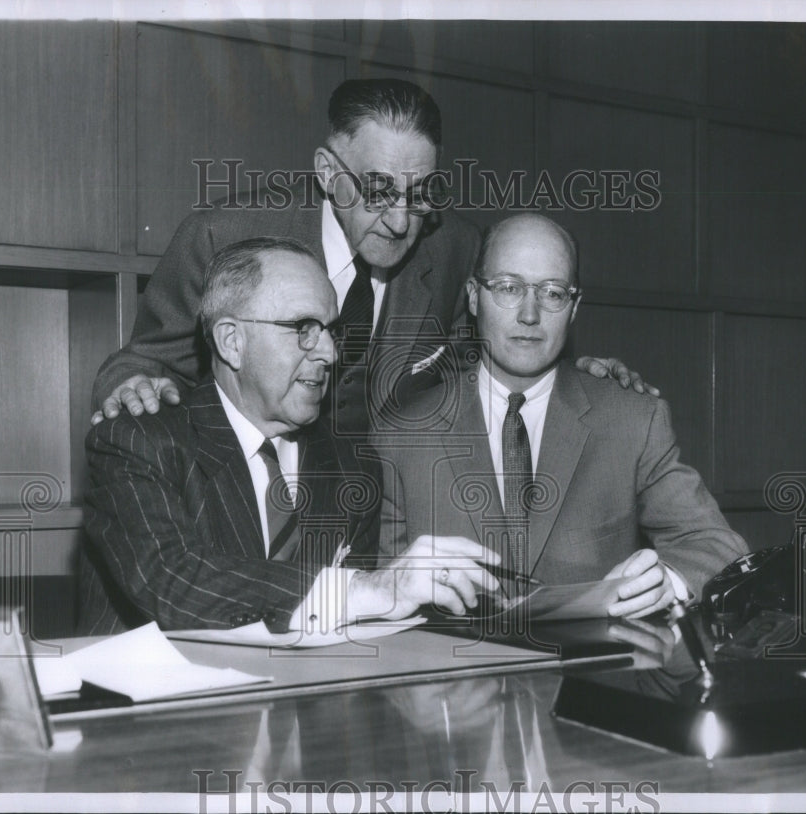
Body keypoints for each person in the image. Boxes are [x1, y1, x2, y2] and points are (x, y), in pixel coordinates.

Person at [90, 78, 654, 435]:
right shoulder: (220, 237)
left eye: (421, 192)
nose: (403, 219)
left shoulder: (455, 247)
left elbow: (481, 360)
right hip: (243, 507)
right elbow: (147, 361)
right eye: (380, 191)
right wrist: (132, 385)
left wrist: (573, 377)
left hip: (376, 523)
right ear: (328, 173)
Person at [78, 237, 500, 635]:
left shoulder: (355, 467)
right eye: (303, 328)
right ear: (231, 341)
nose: (330, 353)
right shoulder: (135, 443)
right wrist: (366, 589)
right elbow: (175, 580)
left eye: (331, 331)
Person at [373, 214, 748, 618]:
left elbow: (717, 545)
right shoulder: (403, 435)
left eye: (552, 293)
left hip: (592, 676)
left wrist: (665, 584)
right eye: (508, 288)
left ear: (573, 308)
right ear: (473, 296)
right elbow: (385, 592)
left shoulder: (632, 421)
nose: (529, 314)